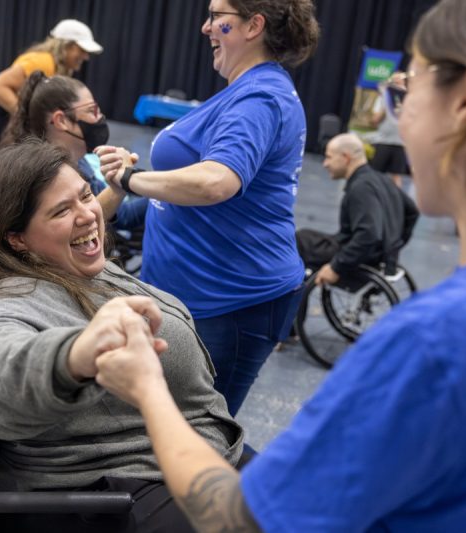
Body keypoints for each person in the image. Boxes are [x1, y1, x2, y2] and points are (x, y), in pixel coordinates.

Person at [93, 0, 466, 530]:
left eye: (406, 91)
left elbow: (238, 519)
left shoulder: (432, 340)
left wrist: (148, 389)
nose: (398, 117)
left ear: (464, 104)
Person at [0, 140, 243, 532]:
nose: (88, 215)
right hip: (120, 491)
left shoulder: (79, 267)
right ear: (16, 238)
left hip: (187, 458)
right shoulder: (4, 302)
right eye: (62, 211)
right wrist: (76, 355)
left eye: (85, 195)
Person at [97, 0, 320, 416]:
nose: (206, 27)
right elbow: (185, 196)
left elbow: (217, 182)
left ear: (253, 26)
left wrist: (129, 180)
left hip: (231, 301)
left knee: (199, 436)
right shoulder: (245, 90)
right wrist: (123, 207)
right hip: (202, 296)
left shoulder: (259, 97)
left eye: (218, 17)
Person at [0, 19, 102, 180]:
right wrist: (28, 119)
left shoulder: (58, 68)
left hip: (8, 124)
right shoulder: (41, 62)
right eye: (81, 50)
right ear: (65, 46)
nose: (86, 56)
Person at [2, 72, 147, 231]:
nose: (100, 117)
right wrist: (119, 187)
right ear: (61, 120)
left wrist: (167, 187)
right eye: (92, 111)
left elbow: (123, 216)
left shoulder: (79, 160)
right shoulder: (44, 176)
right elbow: (77, 227)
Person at [296, 132, 418, 286]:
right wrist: (393, 247)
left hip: (360, 256)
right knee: (307, 236)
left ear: (346, 158)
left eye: (329, 157)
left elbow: (369, 235)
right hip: (379, 255)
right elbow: (412, 211)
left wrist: (336, 267)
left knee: (300, 240)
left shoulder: (361, 188)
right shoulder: (380, 178)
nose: (325, 164)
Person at [362, 81, 411, 187]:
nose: (399, 86)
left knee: (396, 176)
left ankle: (396, 200)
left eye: (401, 83)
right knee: (376, 174)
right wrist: (385, 109)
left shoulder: (410, 101)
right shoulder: (382, 99)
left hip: (401, 144)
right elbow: (374, 121)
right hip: (383, 142)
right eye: (396, 83)